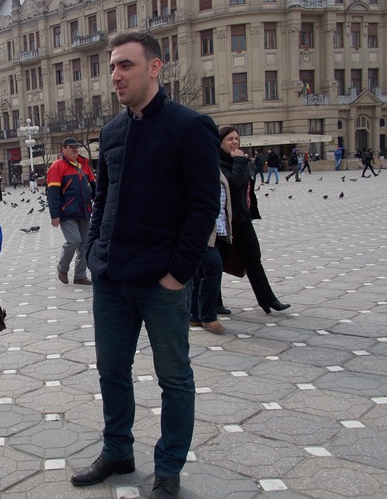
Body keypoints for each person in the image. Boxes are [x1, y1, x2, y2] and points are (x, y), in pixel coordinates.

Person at [71, 31, 220, 499]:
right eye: (113, 66)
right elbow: (102, 196)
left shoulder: (190, 126)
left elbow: (203, 206)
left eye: (126, 65)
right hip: (111, 277)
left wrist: (178, 272)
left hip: (161, 280)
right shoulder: (111, 132)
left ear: (155, 67)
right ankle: (118, 450)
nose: (116, 75)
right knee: (111, 370)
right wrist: (94, 250)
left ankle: (169, 468)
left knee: (174, 377)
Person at [217, 126, 291, 315]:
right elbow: (233, 183)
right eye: (229, 139)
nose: (234, 142)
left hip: (242, 220)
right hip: (225, 223)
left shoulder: (238, 161)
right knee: (217, 264)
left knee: (253, 259)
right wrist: (239, 160)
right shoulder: (218, 163)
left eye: (236, 138)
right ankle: (214, 302)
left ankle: (268, 299)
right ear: (221, 143)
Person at [47, 137, 96, 286]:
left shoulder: (84, 165)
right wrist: (54, 215)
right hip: (67, 212)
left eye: (76, 147)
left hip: (84, 210)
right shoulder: (57, 166)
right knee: (74, 240)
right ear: (64, 149)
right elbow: (53, 192)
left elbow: (94, 187)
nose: (75, 149)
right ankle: (62, 268)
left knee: (85, 244)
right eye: (71, 147)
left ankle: (80, 276)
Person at [190, 172, 232, 334]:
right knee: (214, 268)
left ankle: (195, 315)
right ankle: (208, 316)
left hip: (217, 231)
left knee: (199, 273)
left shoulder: (217, 168)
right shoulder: (199, 167)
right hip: (201, 231)